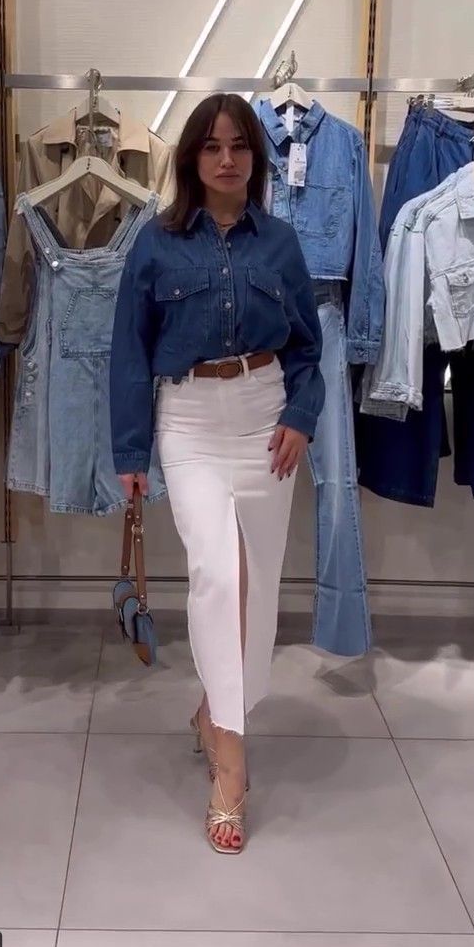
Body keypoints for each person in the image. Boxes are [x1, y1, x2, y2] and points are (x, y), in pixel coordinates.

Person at [109, 94, 325, 854]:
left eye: (239, 146)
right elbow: (129, 353)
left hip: (267, 418)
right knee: (216, 576)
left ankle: (215, 710)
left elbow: (307, 346)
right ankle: (231, 767)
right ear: (192, 157)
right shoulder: (155, 243)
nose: (226, 159)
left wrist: (302, 414)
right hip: (190, 420)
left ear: (256, 158)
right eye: (211, 146)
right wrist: (130, 453)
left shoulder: (281, 243)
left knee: (256, 586)